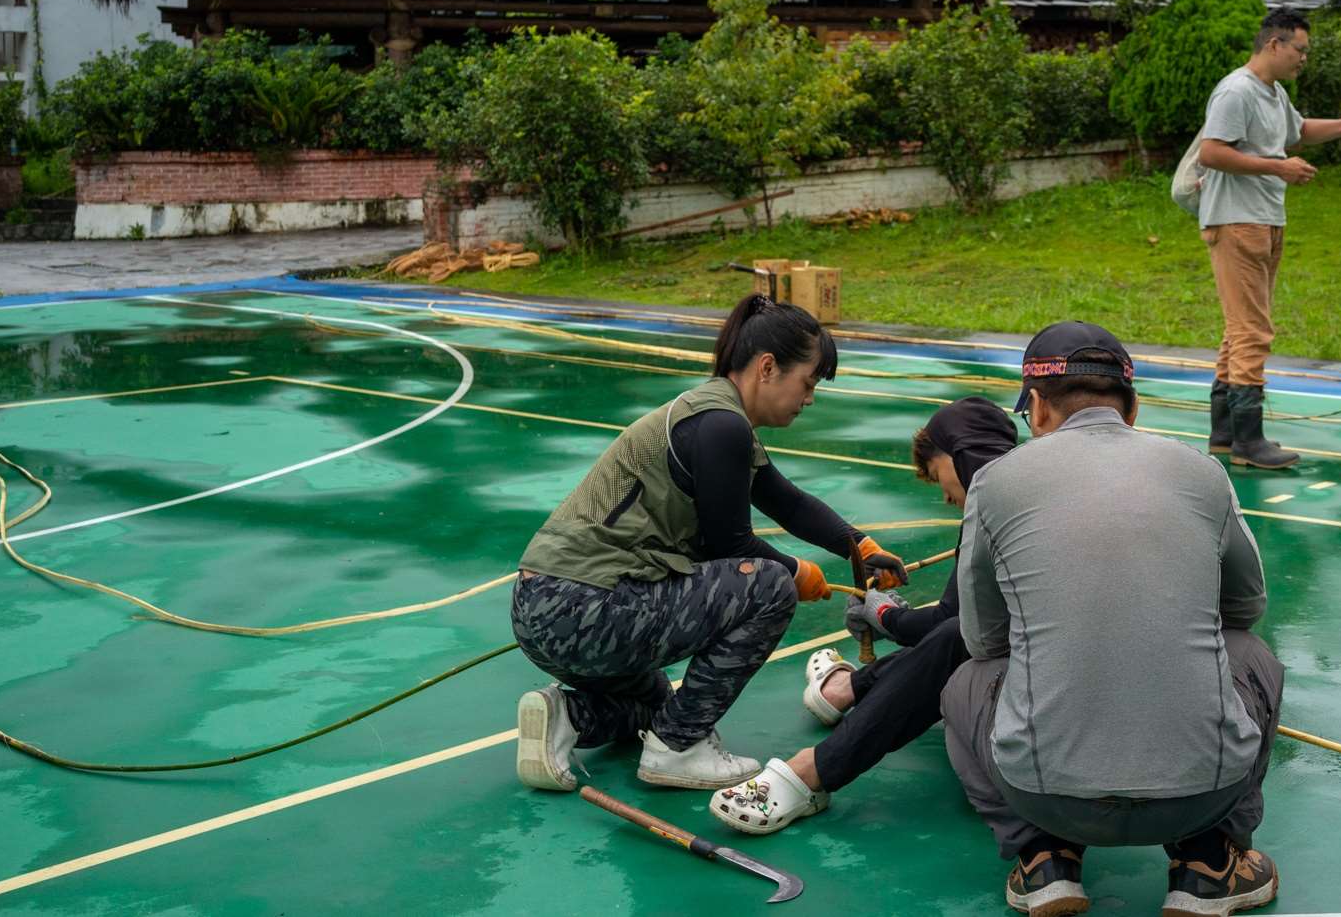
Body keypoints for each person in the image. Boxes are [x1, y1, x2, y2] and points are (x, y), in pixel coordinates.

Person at [942, 322, 1284, 917]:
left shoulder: (995, 481)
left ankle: (1043, 859)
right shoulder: (1202, 471)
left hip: (1044, 793)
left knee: (964, 683)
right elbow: (1248, 606)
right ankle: (1209, 863)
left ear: (1039, 407)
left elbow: (983, 639)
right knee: (1251, 653)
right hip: (1204, 791)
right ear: (1132, 407)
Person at [510, 294, 908, 793]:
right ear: (768, 368)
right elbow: (731, 544)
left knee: (658, 704)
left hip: (544, 610)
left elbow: (787, 502)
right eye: (807, 383)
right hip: (587, 608)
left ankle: (566, 716)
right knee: (768, 587)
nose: (809, 399)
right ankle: (679, 748)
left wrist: (860, 546)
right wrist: (795, 573)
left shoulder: (713, 414)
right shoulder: (722, 425)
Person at [707, 396, 1020, 835]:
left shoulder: (993, 508)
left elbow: (956, 628)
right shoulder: (1041, 496)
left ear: (960, 452)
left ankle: (819, 759)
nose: (947, 497)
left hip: (1044, 736)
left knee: (956, 644)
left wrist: (885, 615)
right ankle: (845, 689)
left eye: (937, 477)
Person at [1196, 8, 1341, 469]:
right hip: (1237, 220)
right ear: (1274, 44)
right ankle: (1248, 442)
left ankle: (1224, 432)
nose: (1304, 59)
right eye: (1300, 50)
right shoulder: (1236, 91)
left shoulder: (1274, 94)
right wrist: (1279, 167)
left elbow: (1299, 131)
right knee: (1252, 330)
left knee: (1241, 329)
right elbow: (1212, 152)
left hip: (1265, 218)